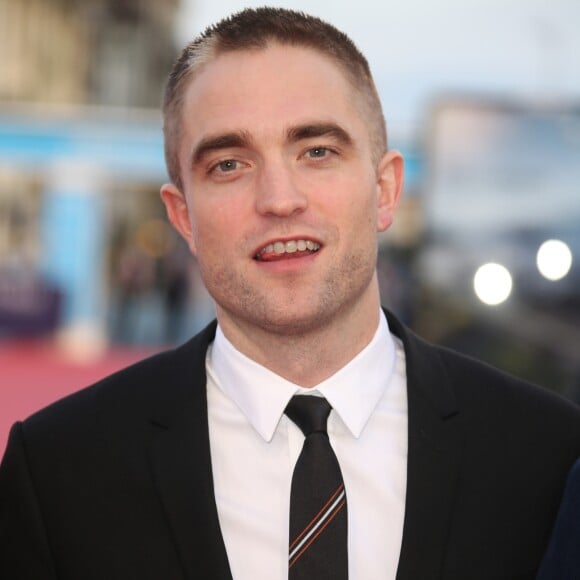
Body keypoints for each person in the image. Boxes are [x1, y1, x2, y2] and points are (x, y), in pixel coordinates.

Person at [1, 7, 580, 580]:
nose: (279, 199)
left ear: (385, 189)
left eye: (317, 152)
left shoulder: (548, 453)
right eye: (229, 164)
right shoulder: (57, 468)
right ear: (183, 218)